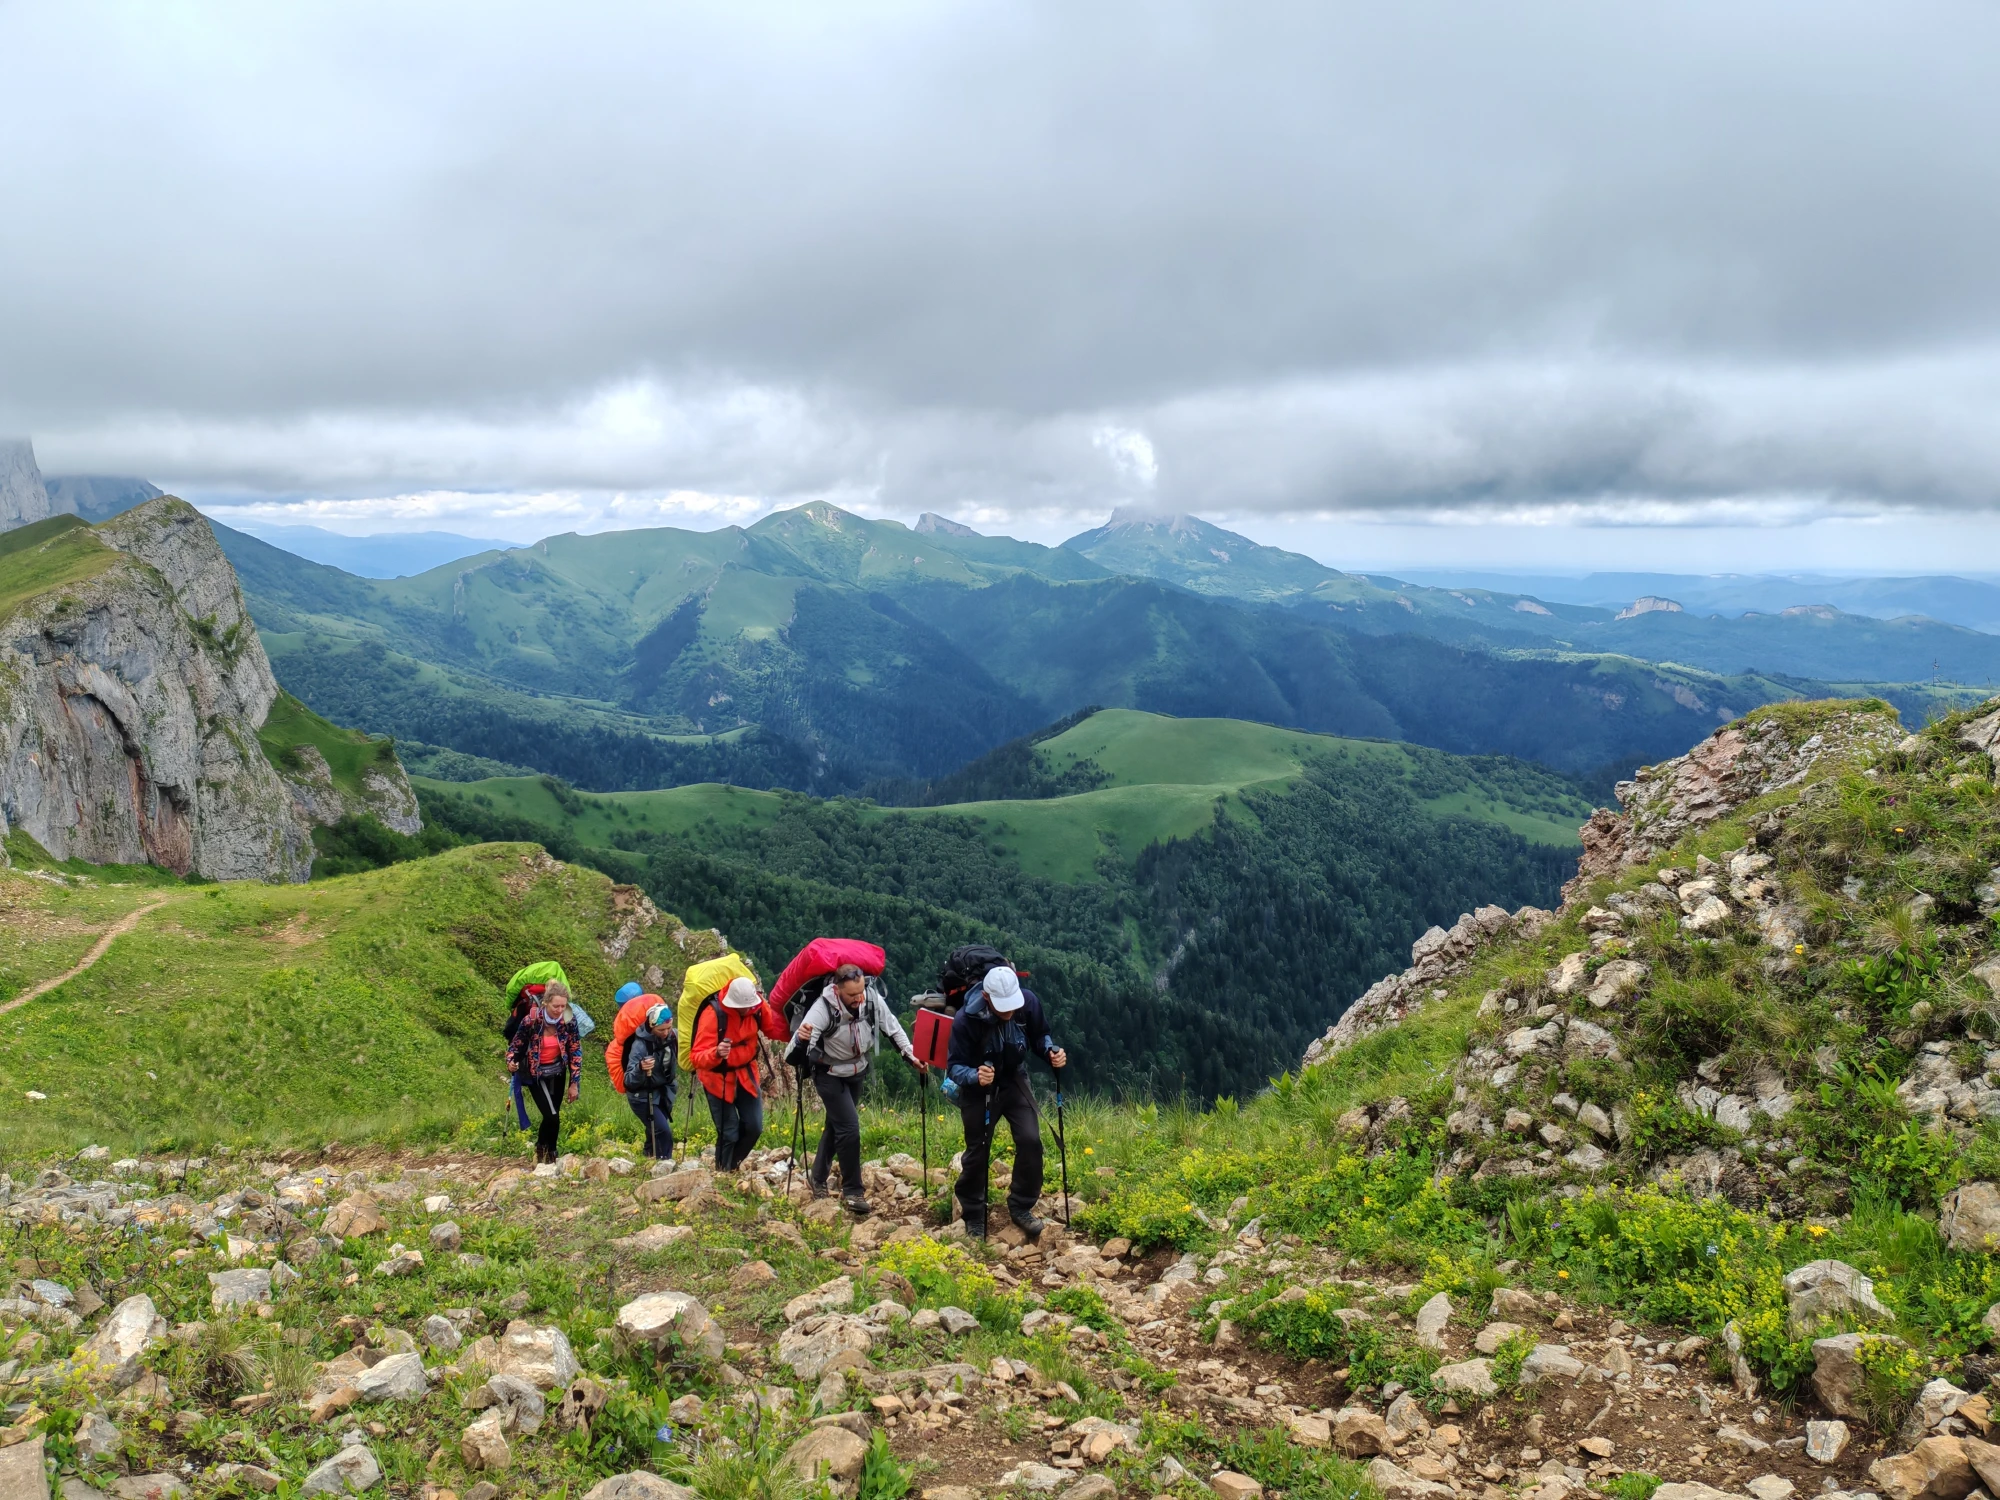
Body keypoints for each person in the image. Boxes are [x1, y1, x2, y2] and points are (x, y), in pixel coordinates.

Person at [944, 964, 1066, 1239]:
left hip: (1014, 1080)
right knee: (978, 1150)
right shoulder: (965, 1020)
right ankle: (974, 1214)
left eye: (1013, 1005)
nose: (1009, 1012)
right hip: (979, 1089)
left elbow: (1039, 1035)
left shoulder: (1027, 1002)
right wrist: (975, 1075)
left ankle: (1021, 1205)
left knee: (1030, 1141)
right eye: (1004, 1007)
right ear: (987, 997)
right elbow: (954, 1067)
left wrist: (1050, 1051)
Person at [794, 962, 925, 1215]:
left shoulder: (871, 999)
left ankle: (818, 1177)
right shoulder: (823, 1008)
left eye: (861, 992)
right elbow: (796, 1047)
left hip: (856, 1072)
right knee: (849, 1127)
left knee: (837, 1125)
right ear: (838, 989)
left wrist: (911, 1056)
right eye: (852, 995)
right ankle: (853, 1192)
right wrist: (801, 1041)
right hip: (828, 1074)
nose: (858, 998)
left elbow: (893, 1027)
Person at [689, 975, 788, 1171]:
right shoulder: (713, 1014)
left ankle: (730, 1167)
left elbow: (773, 1029)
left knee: (754, 1127)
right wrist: (716, 1052)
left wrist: (796, 1031)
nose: (747, 1010)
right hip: (717, 1079)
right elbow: (697, 1056)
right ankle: (723, 1173)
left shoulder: (757, 1007)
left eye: (751, 1006)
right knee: (729, 1132)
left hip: (746, 1076)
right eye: (743, 1007)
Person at [508, 979, 581, 1164]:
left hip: (558, 1072)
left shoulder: (569, 1020)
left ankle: (544, 1151)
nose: (559, 1010)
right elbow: (516, 1045)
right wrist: (511, 1062)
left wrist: (574, 1082)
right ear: (546, 1002)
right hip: (536, 1073)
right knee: (552, 1116)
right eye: (556, 1006)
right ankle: (550, 1153)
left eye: (563, 1006)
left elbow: (575, 1050)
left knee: (553, 1114)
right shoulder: (531, 1020)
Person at [623, 1002, 678, 1160]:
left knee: (653, 1130)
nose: (666, 1032)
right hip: (641, 1095)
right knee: (662, 1131)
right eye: (661, 1030)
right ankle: (664, 1163)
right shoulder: (640, 1046)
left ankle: (647, 1159)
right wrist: (641, 1068)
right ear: (651, 1026)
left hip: (664, 1092)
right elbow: (628, 1080)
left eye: (668, 1028)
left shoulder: (673, 1036)